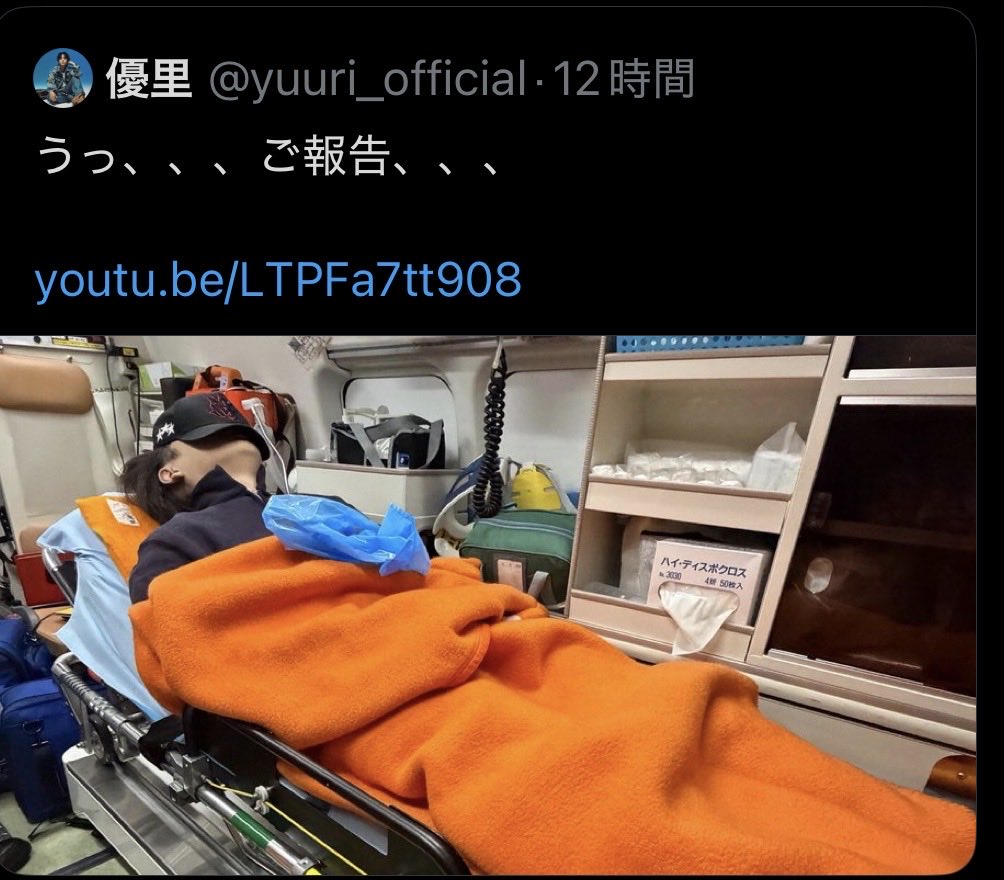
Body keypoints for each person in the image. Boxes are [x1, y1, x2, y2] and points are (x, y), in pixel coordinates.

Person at [121, 392, 274, 604]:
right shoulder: (176, 541)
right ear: (170, 472)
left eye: (241, 433)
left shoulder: (305, 508)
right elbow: (159, 618)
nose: (237, 438)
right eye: (211, 437)